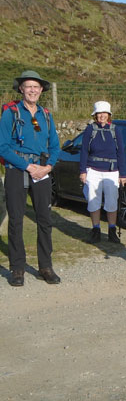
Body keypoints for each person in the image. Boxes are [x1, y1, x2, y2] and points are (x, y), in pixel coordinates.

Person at [0, 70, 61, 286]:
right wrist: (27, 166)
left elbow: (55, 145)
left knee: (44, 219)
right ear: (21, 89)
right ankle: (17, 268)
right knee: (16, 220)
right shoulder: (11, 113)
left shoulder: (46, 115)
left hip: (42, 172)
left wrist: (48, 167)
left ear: (42, 90)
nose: (33, 90)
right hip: (18, 169)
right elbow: (3, 147)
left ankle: (46, 266)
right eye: (28, 86)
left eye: (36, 86)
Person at [79, 101, 126, 244]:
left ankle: (112, 231)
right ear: (95, 115)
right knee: (93, 202)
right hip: (93, 170)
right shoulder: (90, 130)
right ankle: (96, 230)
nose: (102, 116)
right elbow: (83, 151)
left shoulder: (115, 130)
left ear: (109, 115)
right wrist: (83, 171)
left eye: (104, 113)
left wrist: (123, 174)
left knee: (112, 202)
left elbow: (121, 153)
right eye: (99, 113)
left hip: (111, 171)